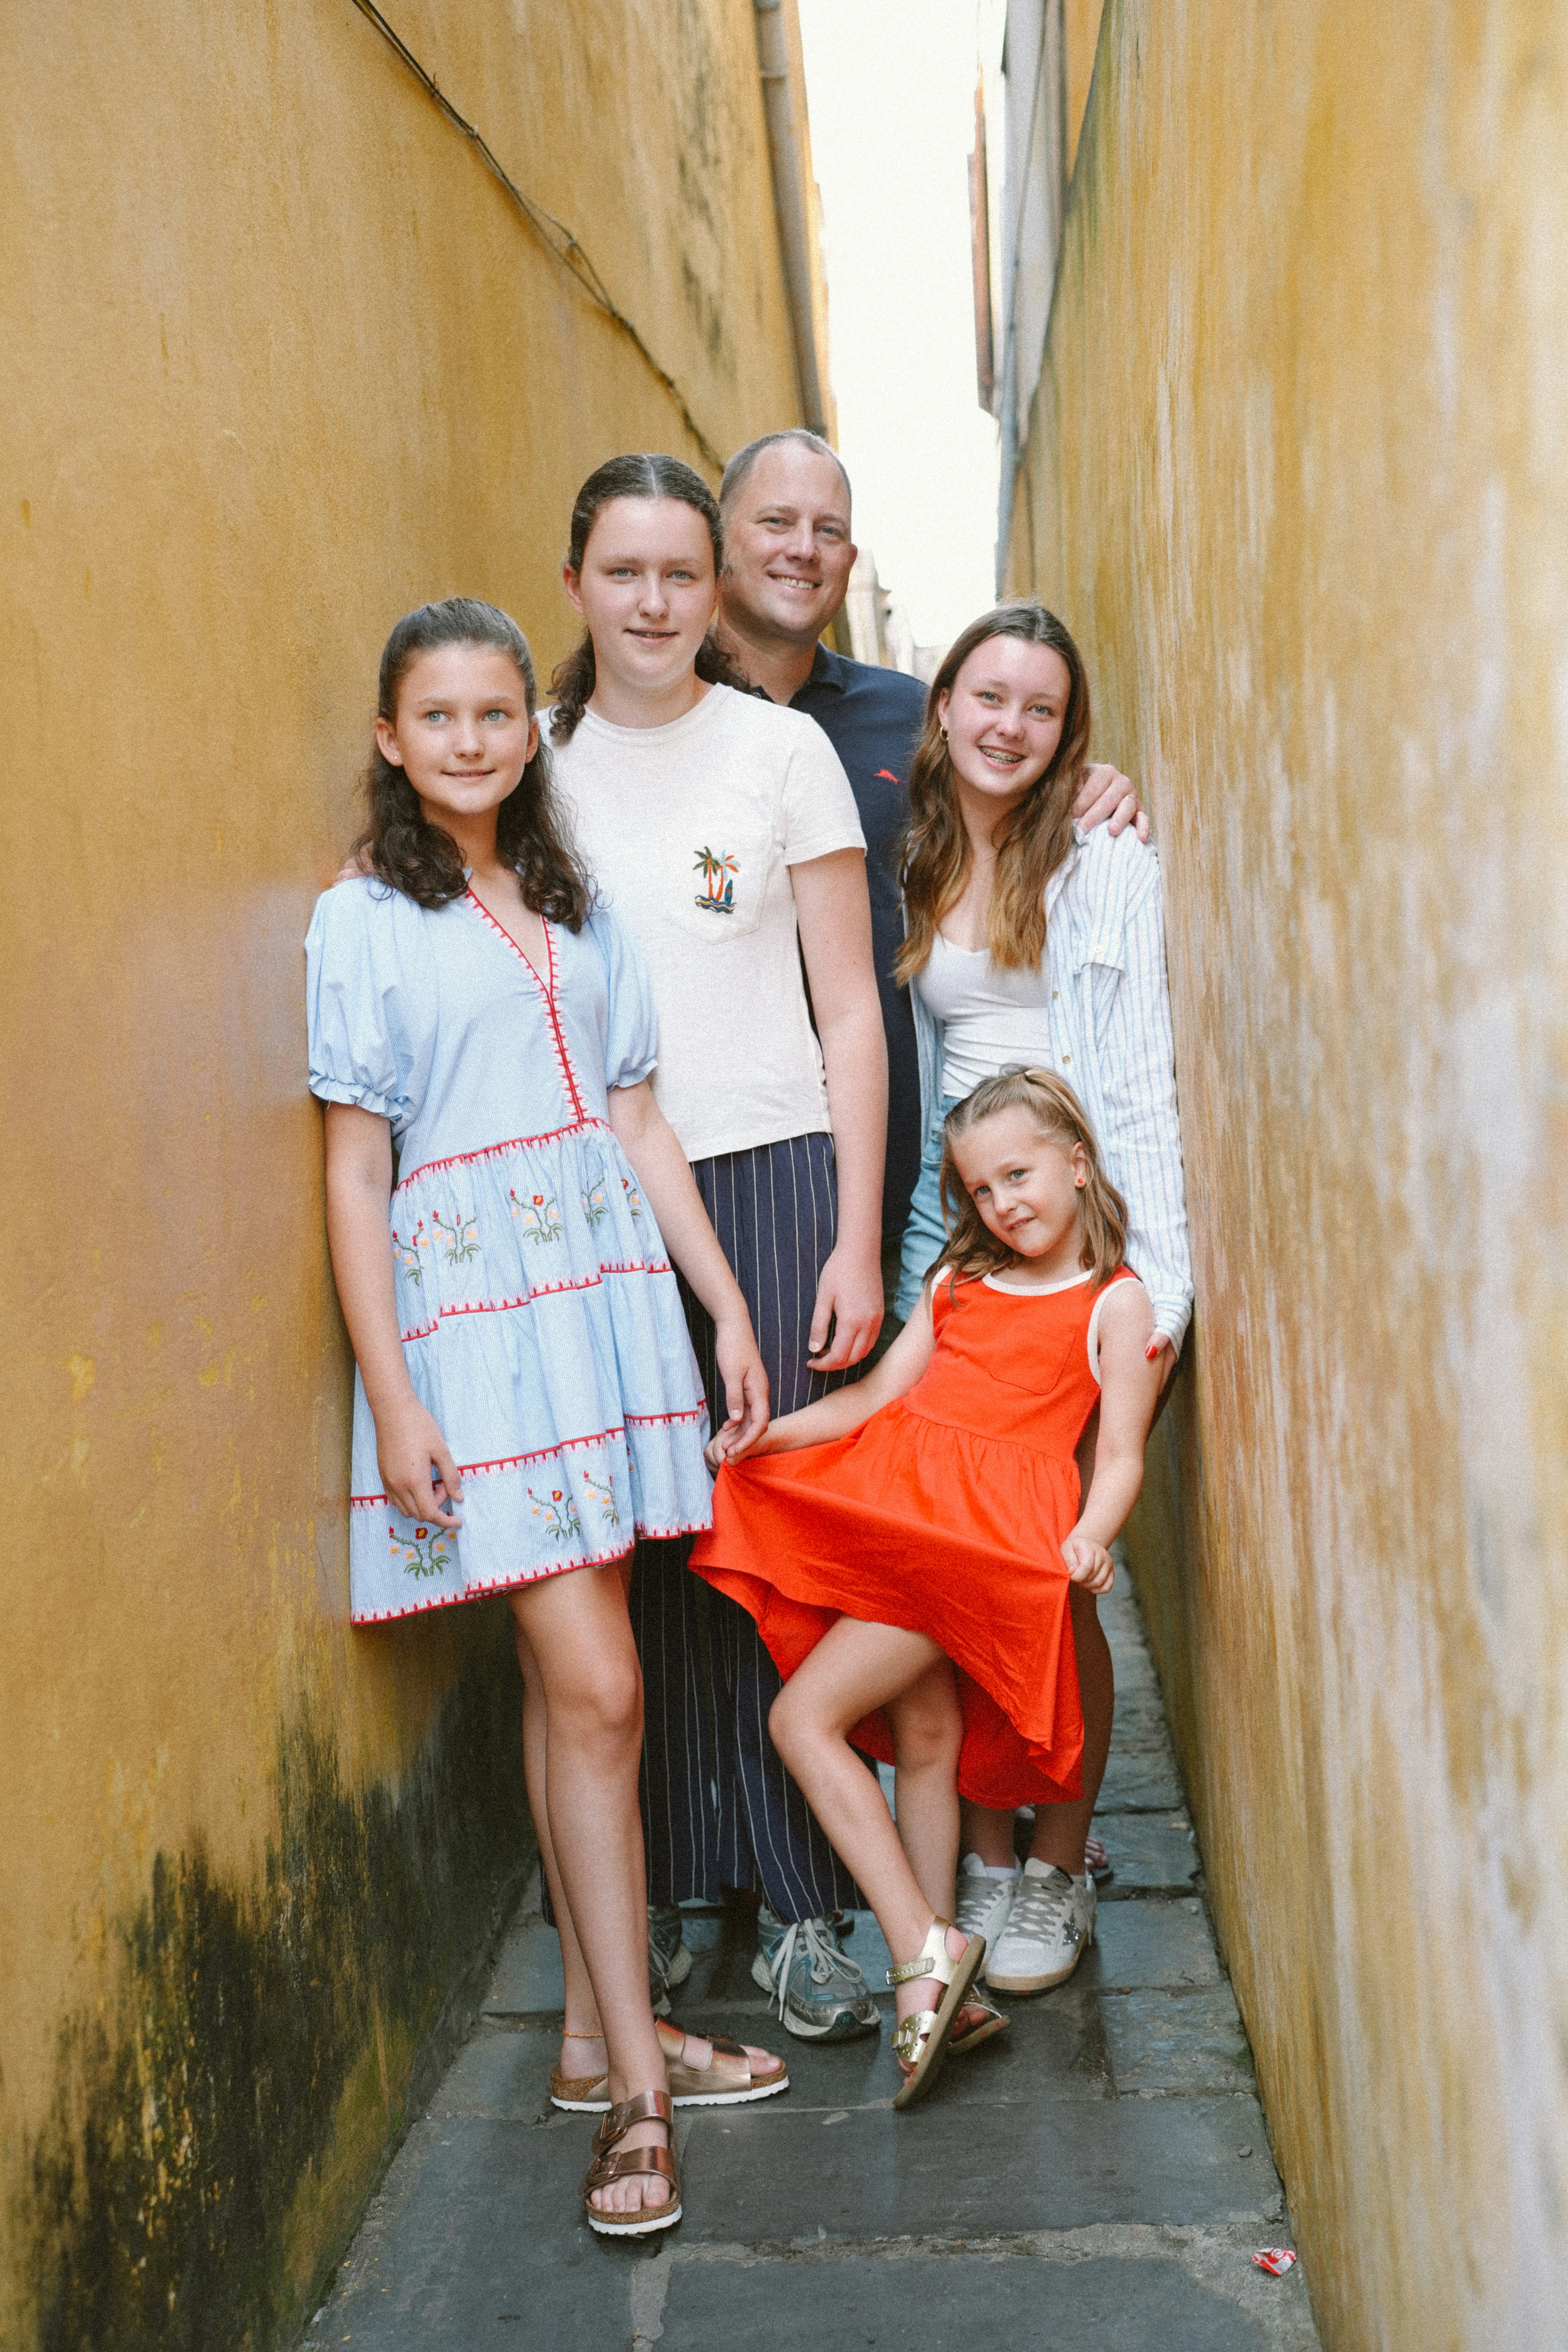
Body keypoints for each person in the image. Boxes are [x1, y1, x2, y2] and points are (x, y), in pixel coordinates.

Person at [307, 598, 785, 2239]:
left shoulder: (576, 901)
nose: (467, 740)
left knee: (566, 1690)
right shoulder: (362, 921)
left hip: (601, 1313)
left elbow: (642, 1121)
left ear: (531, 728)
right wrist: (391, 1392)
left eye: (495, 714)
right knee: (601, 1683)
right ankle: (640, 2090)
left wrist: (720, 1304)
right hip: (476, 1347)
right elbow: (357, 1169)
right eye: (435, 716)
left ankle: (593, 2038)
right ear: (392, 738)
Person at [546, 456, 892, 2041]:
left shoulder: (779, 752)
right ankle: (687, 1872)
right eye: (624, 573)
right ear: (577, 588)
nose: (654, 602)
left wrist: (853, 1236)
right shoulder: (530, 761)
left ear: (716, 587)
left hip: (771, 1173)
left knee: (777, 1537)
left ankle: (805, 1900)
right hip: (601, 1195)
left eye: (680, 574)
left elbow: (849, 1012)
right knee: (652, 1544)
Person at [690, 1070, 1167, 2106]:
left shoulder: (1115, 1302)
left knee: (802, 1720)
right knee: (925, 1735)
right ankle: (934, 1986)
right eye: (982, 1188)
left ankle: (921, 1950)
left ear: (1078, 1165)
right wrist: (767, 1441)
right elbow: (868, 1401)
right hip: (903, 1524)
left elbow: (1121, 1452)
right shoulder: (955, 1282)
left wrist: (1092, 1533)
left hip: (975, 1550)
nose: (1004, 1204)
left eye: (1021, 1175)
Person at [892, 601, 1192, 1996]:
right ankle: (991, 1851)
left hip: (1068, 1224)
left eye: (1043, 709)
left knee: (1056, 1562)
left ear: (1071, 734)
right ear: (944, 699)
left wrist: (1154, 1275)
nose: (1009, 726)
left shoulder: (1098, 856)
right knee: (953, 1553)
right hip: (945, 1225)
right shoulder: (911, 842)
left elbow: (1132, 1068)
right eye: (988, 695)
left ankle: (1058, 1866)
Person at [712, 428, 1149, 1295]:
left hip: (905, 1171)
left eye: (828, 530)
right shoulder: (672, 714)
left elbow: (1007, 787)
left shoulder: (907, 720)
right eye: (776, 522)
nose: (804, 549)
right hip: (726, 1147)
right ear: (721, 537)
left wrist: (1094, 785)